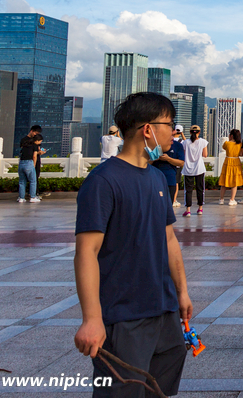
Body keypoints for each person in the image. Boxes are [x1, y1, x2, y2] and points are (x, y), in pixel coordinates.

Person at [73, 92, 192, 398]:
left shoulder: (155, 178)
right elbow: (87, 251)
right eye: (170, 124)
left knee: (160, 389)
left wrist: (181, 292)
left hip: (163, 310)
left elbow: (168, 239)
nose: (174, 131)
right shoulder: (103, 181)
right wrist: (92, 319)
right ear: (147, 130)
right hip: (124, 315)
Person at [152, 125, 185, 209]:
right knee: (155, 207)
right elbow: (146, 162)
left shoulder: (178, 145)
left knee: (168, 207)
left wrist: (168, 159)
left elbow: (181, 163)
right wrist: (156, 157)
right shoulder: (155, 144)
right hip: (155, 180)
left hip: (170, 180)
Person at [181, 125, 208, 216]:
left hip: (188, 168)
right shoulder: (203, 142)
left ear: (190, 132)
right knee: (200, 189)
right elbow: (205, 155)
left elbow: (184, 155)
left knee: (188, 190)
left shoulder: (185, 143)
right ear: (199, 132)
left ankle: (188, 210)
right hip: (199, 168)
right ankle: (200, 209)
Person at [218, 129, 243, 206]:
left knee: (224, 182)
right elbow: (241, 154)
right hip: (236, 162)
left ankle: (221, 199)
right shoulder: (240, 144)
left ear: (231, 136)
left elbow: (224, 148)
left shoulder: (227, 143)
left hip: (227, 162)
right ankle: (231, 200)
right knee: (234, 182)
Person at [18, 126, 42, 204]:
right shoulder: (34, 145)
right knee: (33, 181)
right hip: (29, 163)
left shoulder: (25, 143)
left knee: (22, 181)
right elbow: (34, 156)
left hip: (21, 163)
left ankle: (21, 198)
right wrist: (33, 165)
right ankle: (32, 197)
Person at [170, 125, 185, 207]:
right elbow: (187, 143)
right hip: (177, 165)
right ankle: (174, 200)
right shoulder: (181, 142)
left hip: (169, 164)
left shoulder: (169, 140)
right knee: (176, 183)